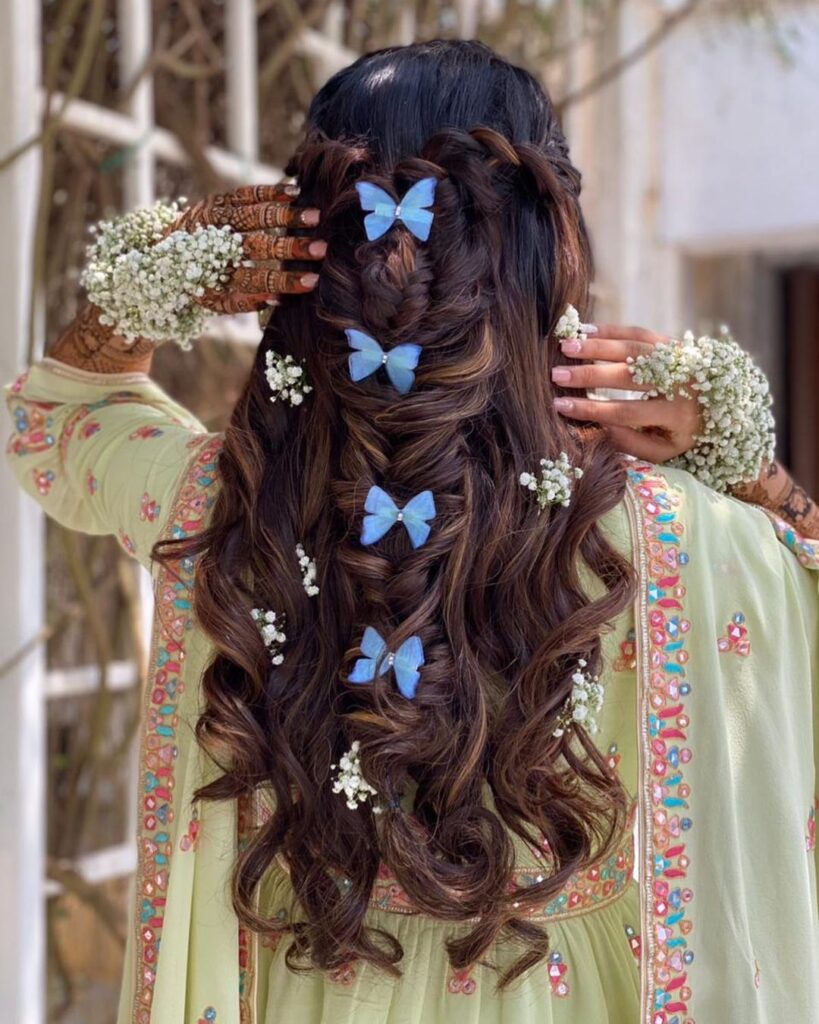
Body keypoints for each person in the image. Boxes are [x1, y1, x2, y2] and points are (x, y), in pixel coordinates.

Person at [6, 39, 818, 1024]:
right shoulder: (679, 536)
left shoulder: (229, 511)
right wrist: (752, 467)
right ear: (546, 249)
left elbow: (54, 423)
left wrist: (156, 277)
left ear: (311, 259)